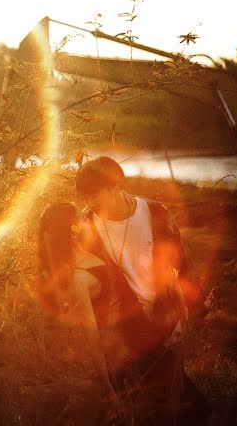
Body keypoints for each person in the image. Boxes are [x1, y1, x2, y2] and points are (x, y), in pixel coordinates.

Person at [76, 156, 210, 424]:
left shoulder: (154, 213)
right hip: (122, 327)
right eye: (86, 196)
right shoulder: (86, 226)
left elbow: (181, 263)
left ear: (114, 186)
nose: (91, 202)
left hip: (164, 321)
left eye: (95, 194)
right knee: (139, 404)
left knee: (168, 402)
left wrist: (186, 308)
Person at [36, 201, 129, 400]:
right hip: (125, 347)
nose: (87, 221)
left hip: (143, 328)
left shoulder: (92, 249)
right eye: (81, 218)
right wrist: (108, 386)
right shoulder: (79, 277)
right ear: (72, 229)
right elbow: (93, 335)